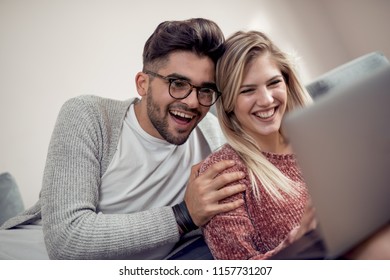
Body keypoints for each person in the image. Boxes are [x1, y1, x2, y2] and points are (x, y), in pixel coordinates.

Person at [0, 18, 246, 260]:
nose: (192, 102)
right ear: (143, 84)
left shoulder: (212, 137)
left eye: (205, 90)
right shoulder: (88, 115)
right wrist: (183, 215)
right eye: (178, 83)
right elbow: (66, 240)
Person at [199, 30, 316, 260]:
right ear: (229, 101)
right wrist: (295, 244)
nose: (266, 100)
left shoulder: (319, 138)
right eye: (248, 90)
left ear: (287, 83)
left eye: (274, 83)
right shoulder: (225, 172)